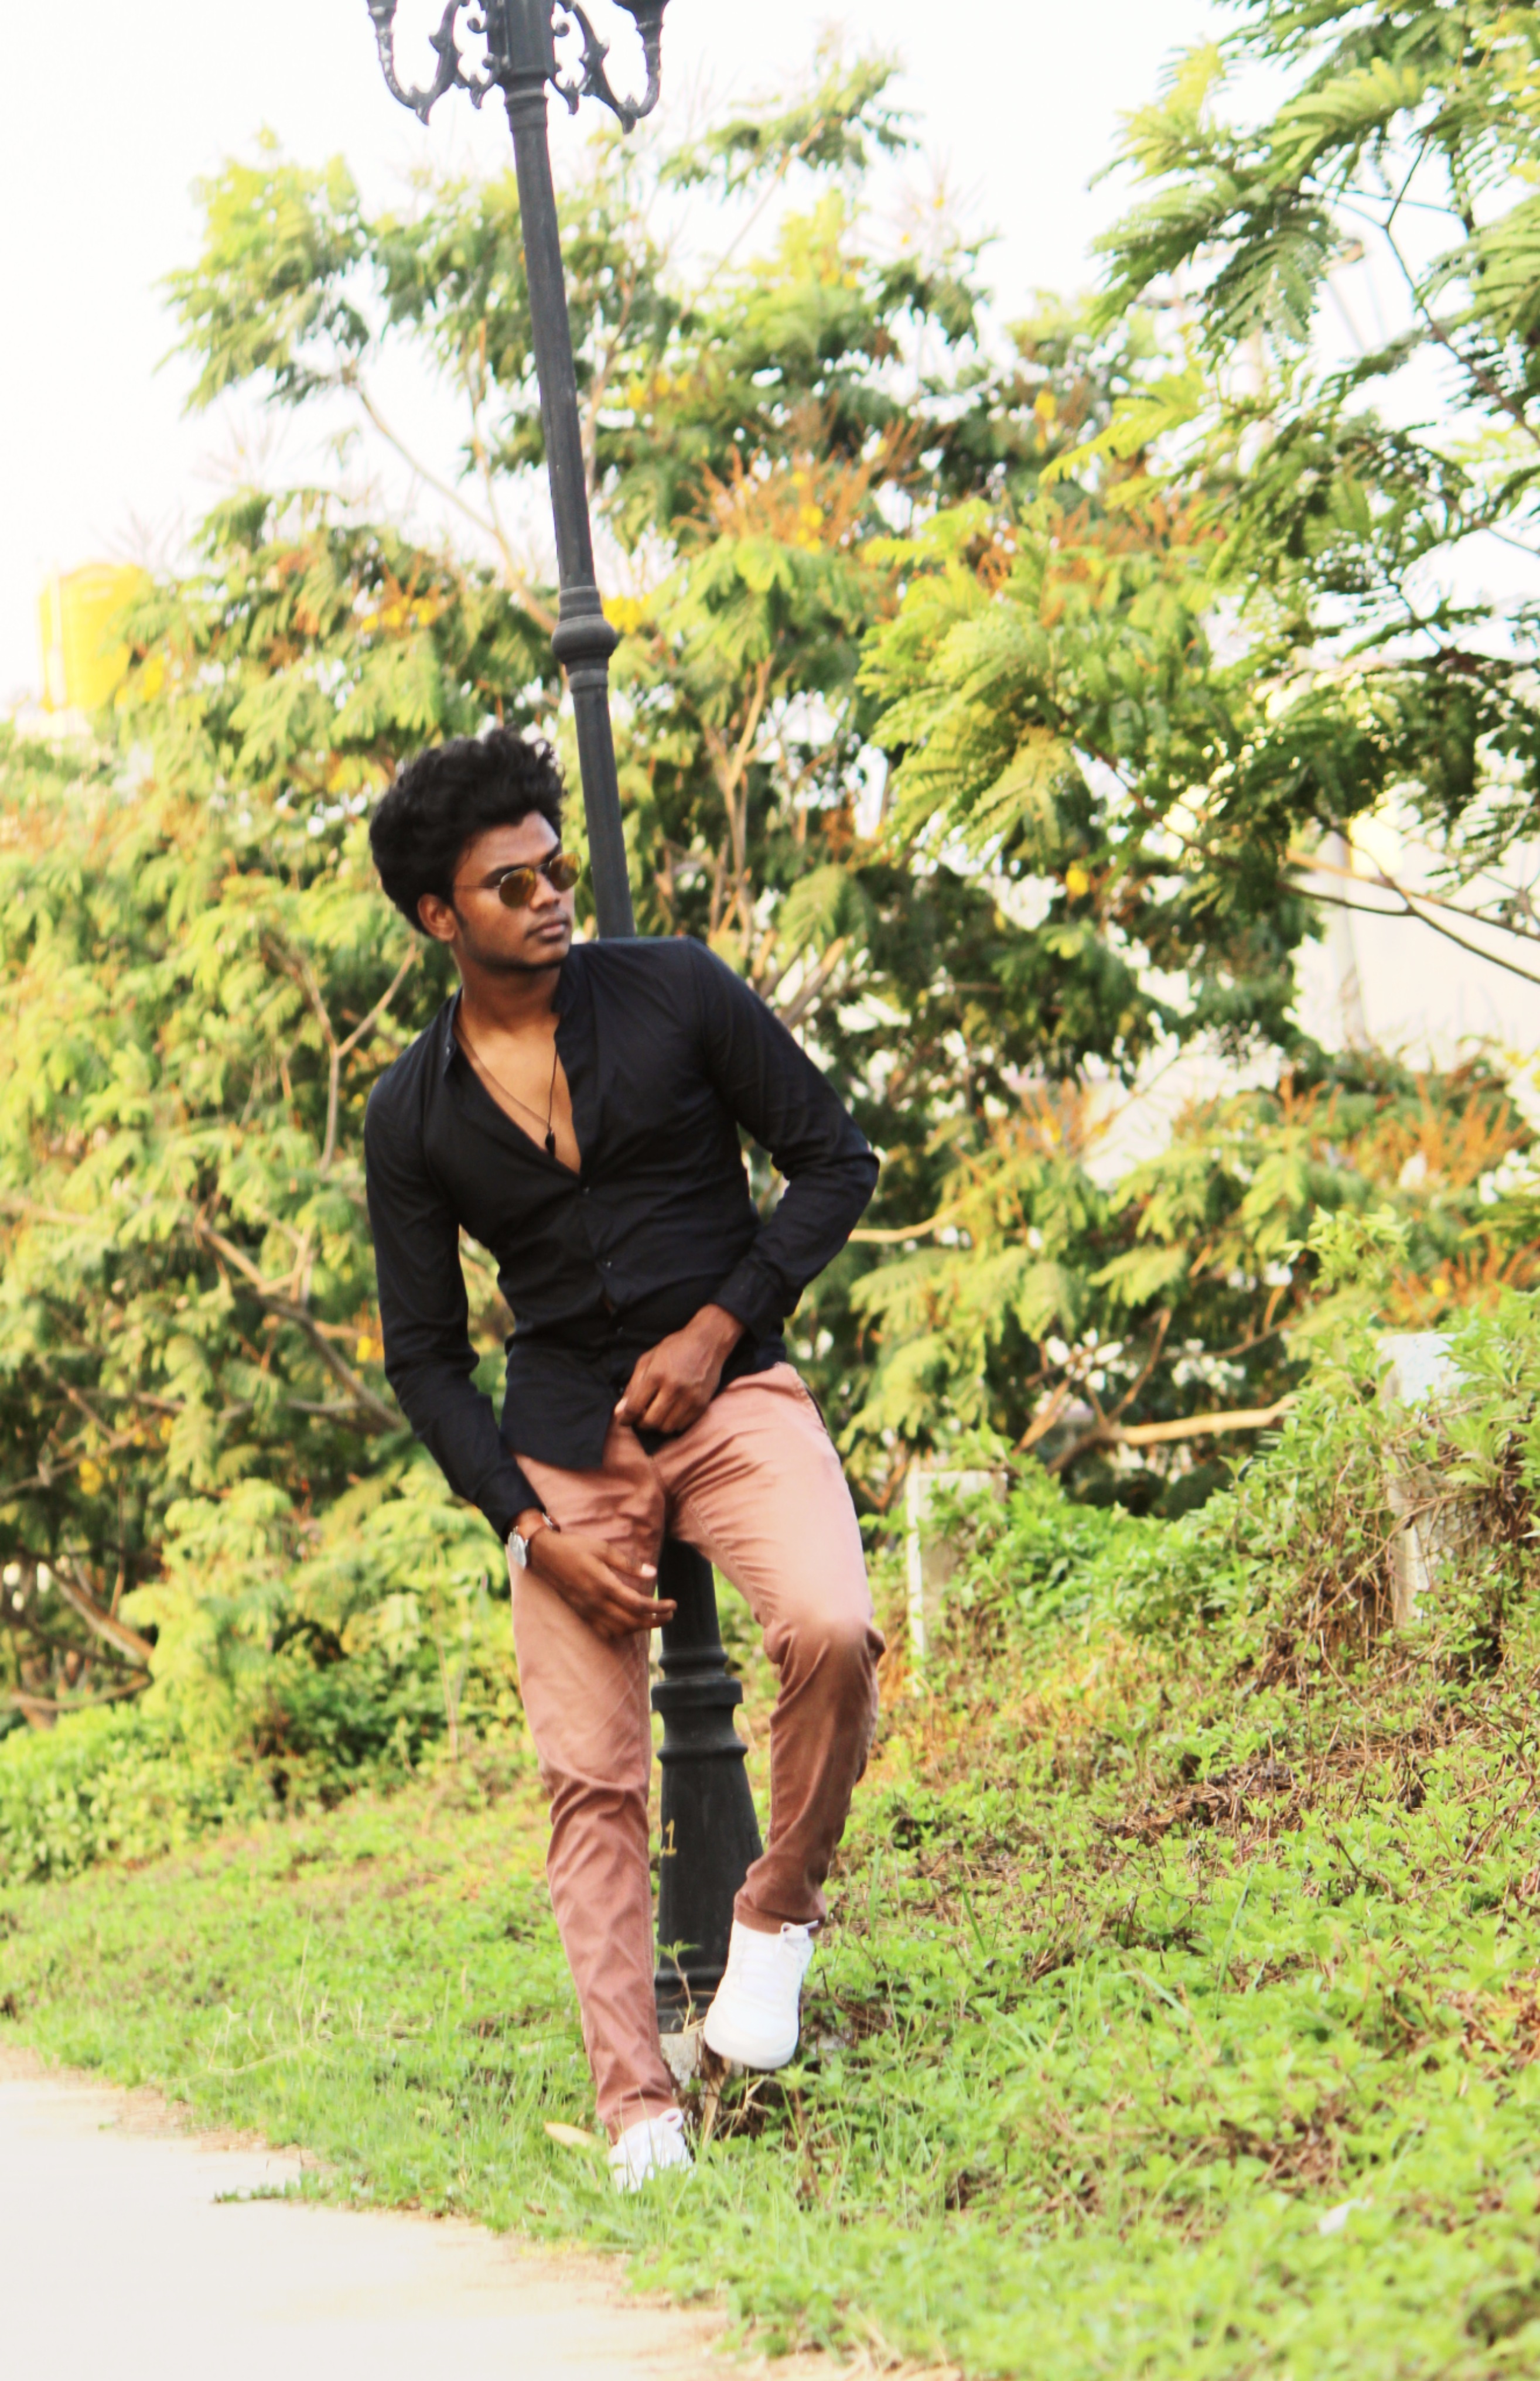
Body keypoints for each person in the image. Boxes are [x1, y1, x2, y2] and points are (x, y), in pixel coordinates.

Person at [363, 729, 885, 2191]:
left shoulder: (675, 988)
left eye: (555, 867)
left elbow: (834, 1159)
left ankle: (773, 1920)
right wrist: (531, 1530)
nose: (549, 896)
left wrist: (716, 1327)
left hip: (728, 1390)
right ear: (439, 915)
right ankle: (639, 2113)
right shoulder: (409, 1110)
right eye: (510, 882)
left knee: (832, 1626)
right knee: (588, 1781)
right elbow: (425, 1357)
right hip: (561, 1451)